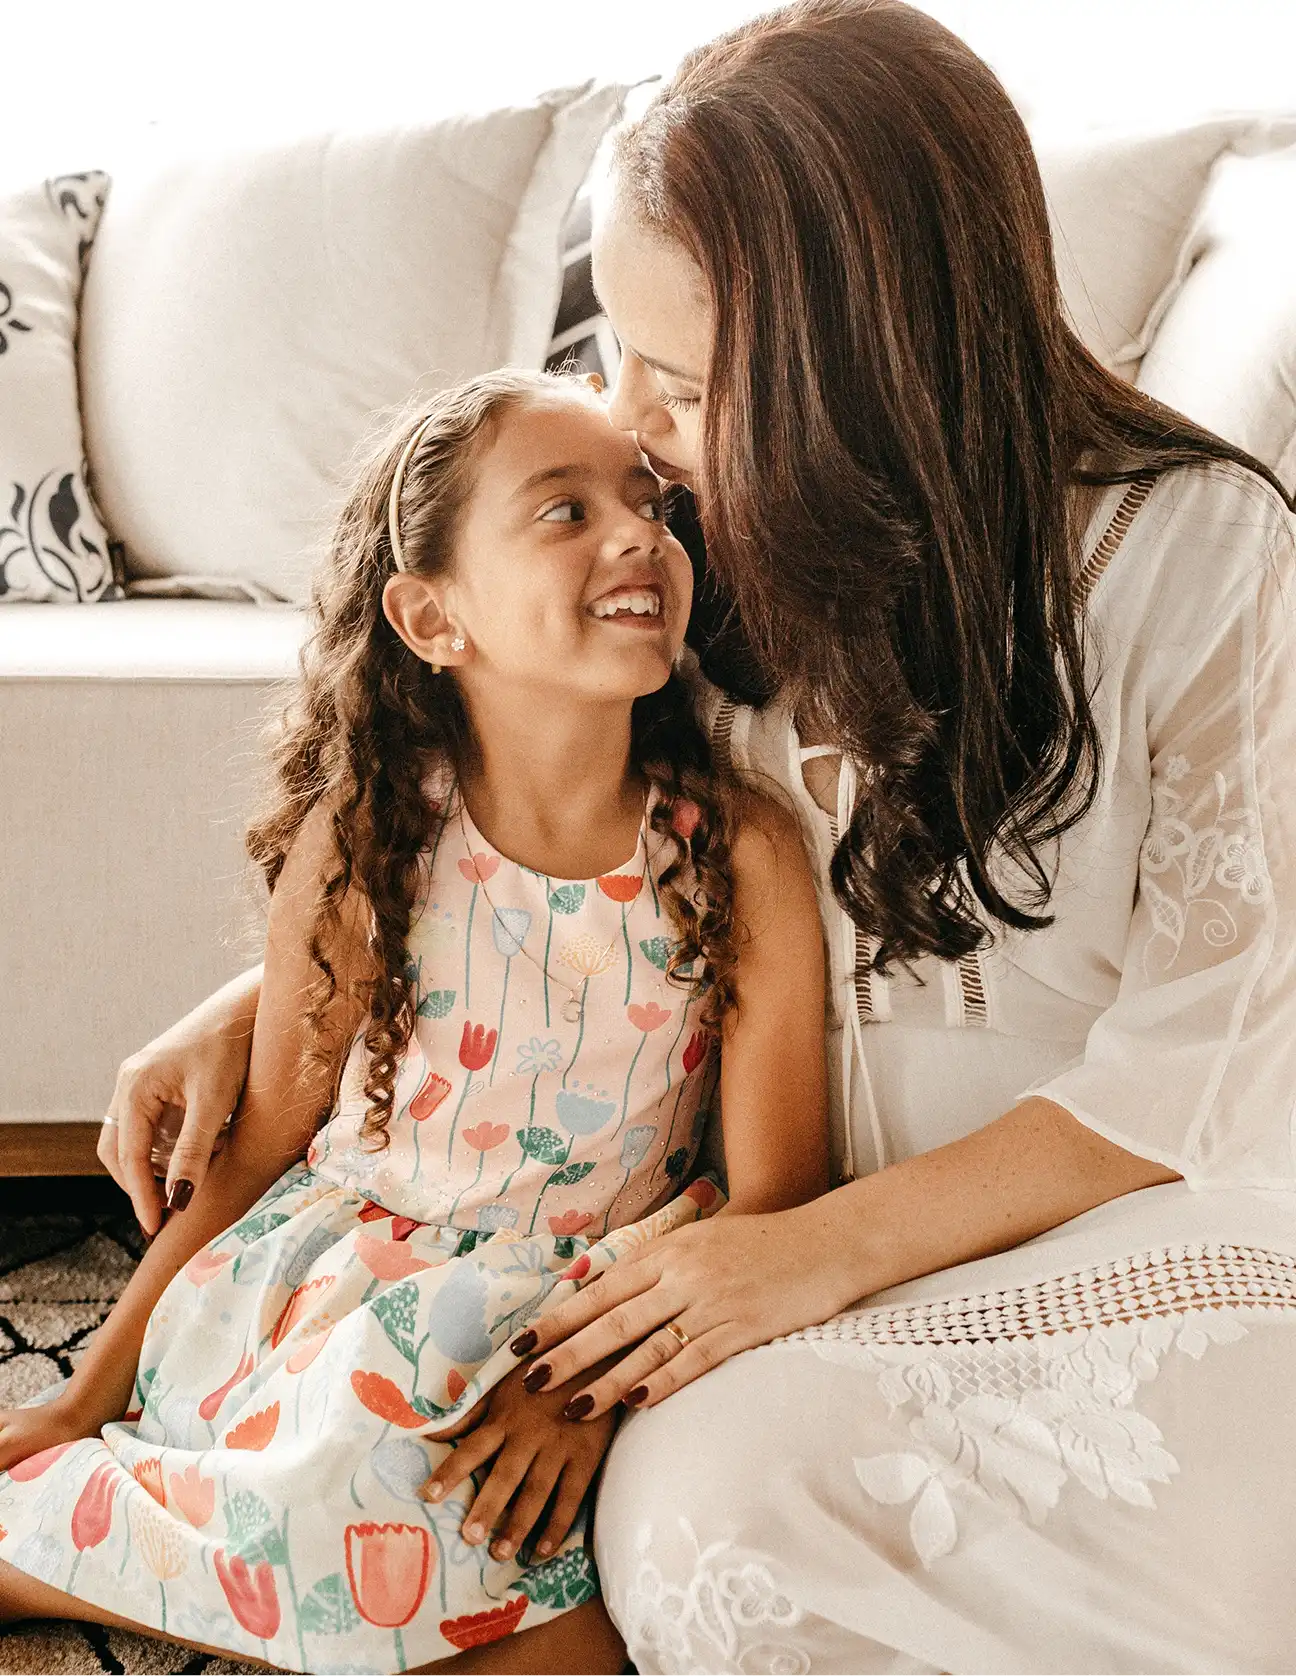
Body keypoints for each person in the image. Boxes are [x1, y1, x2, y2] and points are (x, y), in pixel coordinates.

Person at [82, 2, 1296, 1671]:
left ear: (863, 365)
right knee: (598, 1495)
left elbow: (1214, 1054)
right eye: (616, 356)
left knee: (695, 1516)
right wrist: (273, 1001)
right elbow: (513, 813)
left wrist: (804, 1259)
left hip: (1129, 1233)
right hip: (762, 1239)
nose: (631, 425)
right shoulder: (707, 549)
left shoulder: (1204, 556)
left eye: (682, 379)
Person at [0, 368, 830, 1676]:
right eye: (563, 512)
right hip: (361, 1302)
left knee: (579, 1644)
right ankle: (49, 1532)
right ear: (433, 616)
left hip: (600, 1300)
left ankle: (143, 1551)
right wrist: (79, 1393)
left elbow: (782, 1188)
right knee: (363, 1492)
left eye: (651, 504)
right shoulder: (373, 837)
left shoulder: (743, 851)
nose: (637, 536)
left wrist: (586, 1387)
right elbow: (261, 1144)